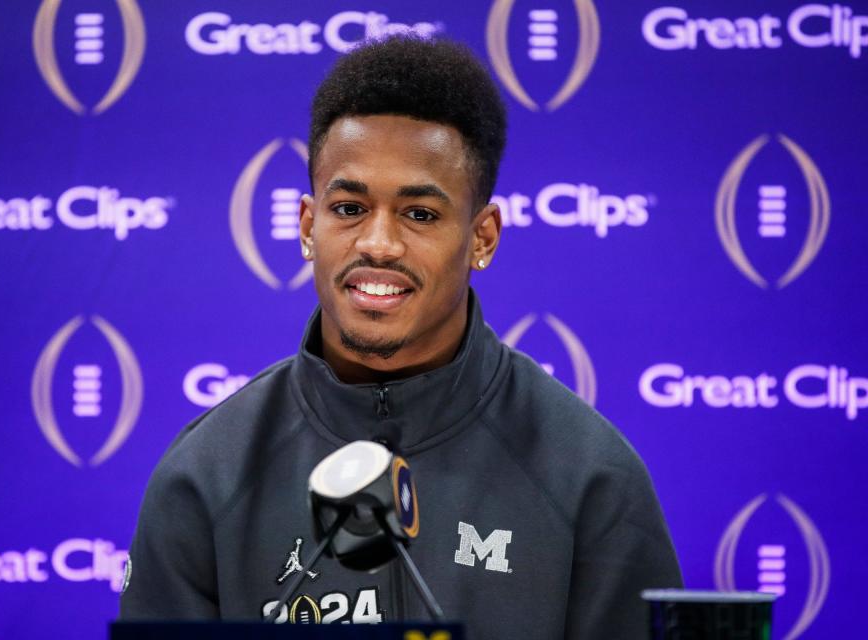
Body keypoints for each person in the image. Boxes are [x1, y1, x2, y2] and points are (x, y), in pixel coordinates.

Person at [120, 35, 682, 638]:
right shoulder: (208, 473)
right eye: (349, 208)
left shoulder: (589, 477)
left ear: (483, 237)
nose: (378, 245)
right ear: (308, 226)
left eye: (420, 214)